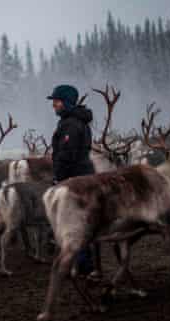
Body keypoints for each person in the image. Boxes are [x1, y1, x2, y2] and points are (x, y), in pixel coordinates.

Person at [47, 84, 95, 276]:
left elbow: (67, 155)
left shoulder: (71, 125)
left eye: (56, 102)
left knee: (75, 222)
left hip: (75, 181)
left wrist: (59, 179)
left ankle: (82, 264)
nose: (54, 106)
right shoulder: (72, 121)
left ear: (66, 102)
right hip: (80, 177)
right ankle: (82, 263)